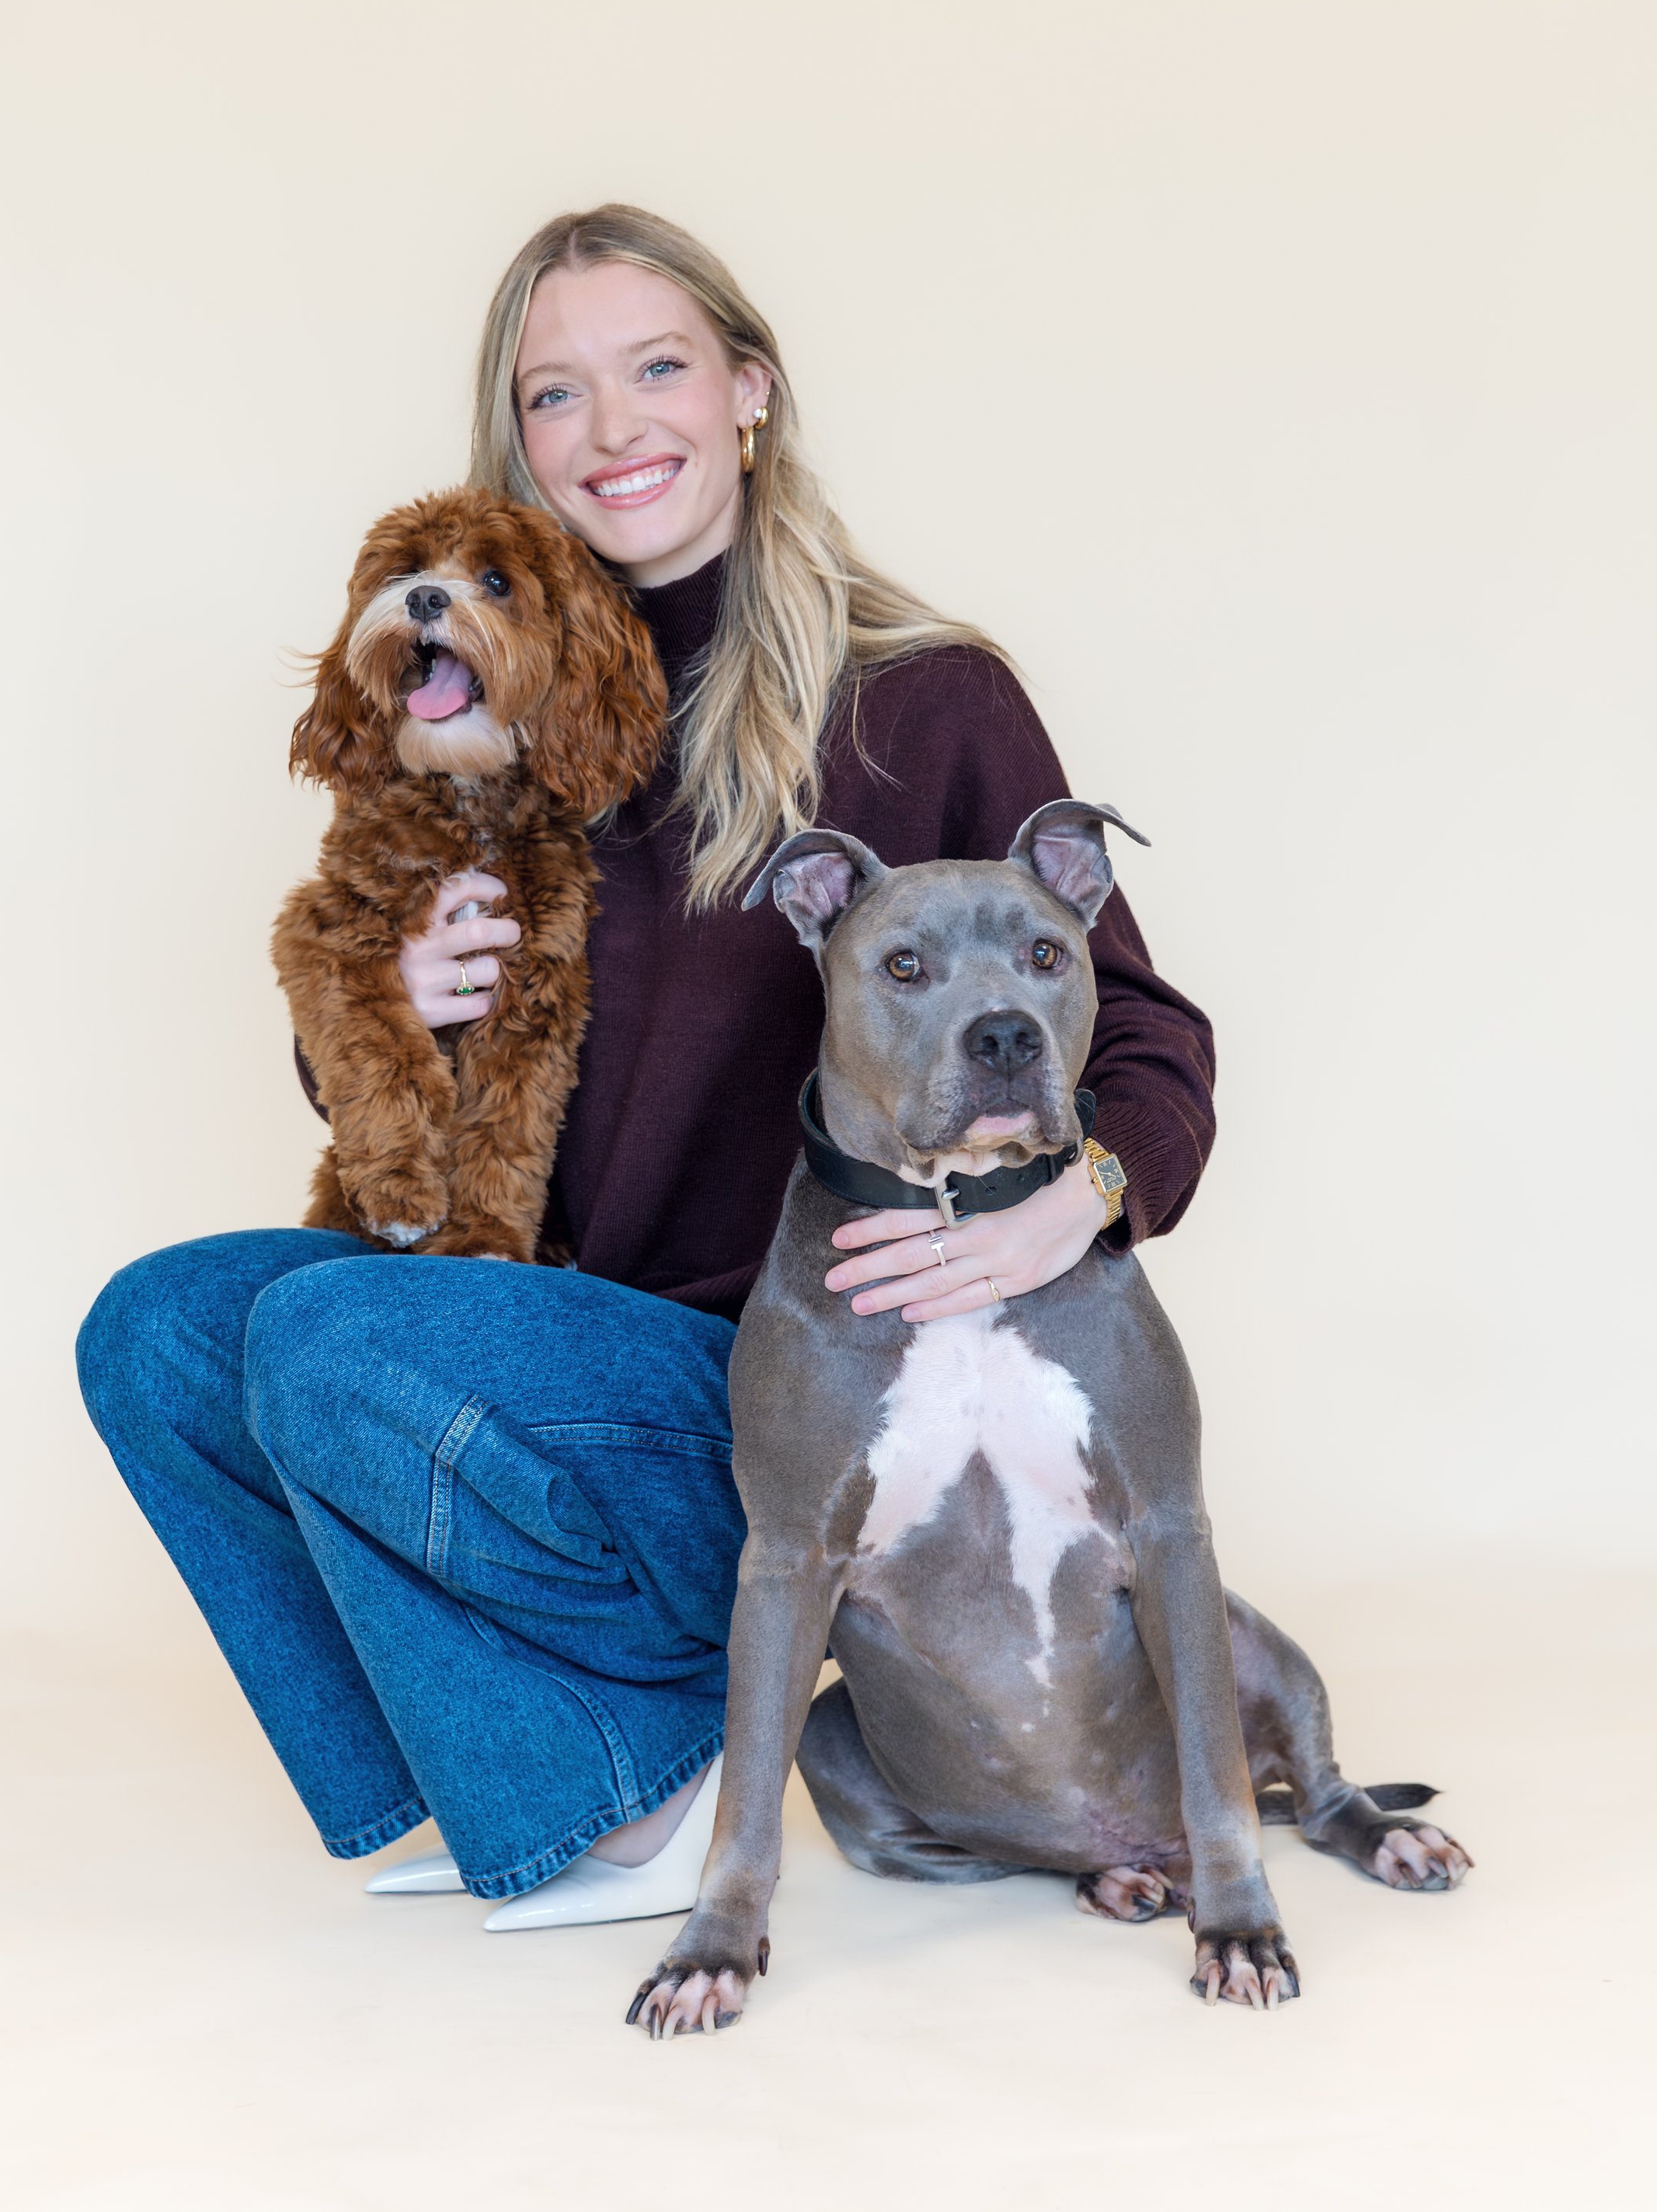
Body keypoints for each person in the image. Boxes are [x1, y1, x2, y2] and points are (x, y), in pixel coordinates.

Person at [77, 207, 1215, 1930]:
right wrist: (395, 999)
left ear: (749, 390)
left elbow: (1136, 1025)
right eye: (554, 396)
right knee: (155, 1332)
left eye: (657, 369)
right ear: (513, 443)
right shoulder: (489, 694)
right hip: (546, 1343)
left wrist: (1085, 1198)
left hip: (787, 1383)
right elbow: (398, 1103)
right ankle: (510, 1776)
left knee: (323, 1331)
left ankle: (635, 1780)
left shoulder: (921, 701)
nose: (611, 433)